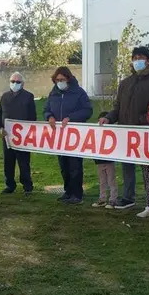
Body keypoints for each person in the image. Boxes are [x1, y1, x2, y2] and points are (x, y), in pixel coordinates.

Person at [99, 46, 149, 209]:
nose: (137, 61)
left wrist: (141, 120)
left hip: (147, 133)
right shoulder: (125, 83)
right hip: (126, 133)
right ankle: (128, 197)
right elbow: (118, 107)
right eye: (135, 58)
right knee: (127, 166)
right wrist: (108, 118)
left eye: (141, 58)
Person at [44, 66, 93, 205]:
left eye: (62, 79)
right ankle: (68, 191)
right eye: (57, 80)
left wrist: (70, 118)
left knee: (75, 165)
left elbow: (87, 110)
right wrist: (49, 117)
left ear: (68, 79)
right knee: (63, 165)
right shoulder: (53, 93)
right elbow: (46, 109)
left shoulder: (79, 93)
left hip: (75, 136)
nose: (60, 82)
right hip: (59, 137)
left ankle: (77, 194)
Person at [0, 71, 36, 196]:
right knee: (8, 161)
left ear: (22, 84)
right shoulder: (4, 96)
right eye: (13, 81)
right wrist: (0, 127)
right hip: (7, 135)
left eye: (18, 82)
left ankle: (27, 185)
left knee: (23, 161)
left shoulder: (28, 96)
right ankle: (9, 185)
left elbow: (32, 116)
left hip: (23, 135)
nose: (15, 83)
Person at [92, 110, 118, 209]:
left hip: (109, 161)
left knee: (111, 180)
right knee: (102, 181)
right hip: (99, 162)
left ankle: (113, 200)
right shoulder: (96, 133)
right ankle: (102, 199)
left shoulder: (112, 134)